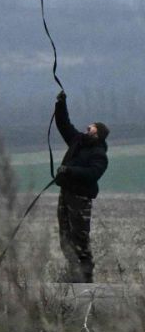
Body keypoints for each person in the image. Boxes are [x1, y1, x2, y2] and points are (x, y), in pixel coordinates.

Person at [53, 91, 109, 283]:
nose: (87, 127)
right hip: (66, 194)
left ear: (98, 133)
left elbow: (93, 174)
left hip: (81, 200)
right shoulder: (77, 141)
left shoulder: (99, 154)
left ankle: (86, 279)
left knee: (80, 240)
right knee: (65, 238)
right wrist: (61, 104)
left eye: (91, 127)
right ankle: (73, 275)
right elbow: (63, 124)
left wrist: (69, 171)